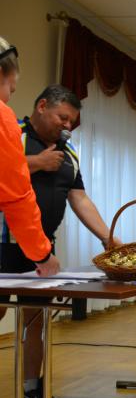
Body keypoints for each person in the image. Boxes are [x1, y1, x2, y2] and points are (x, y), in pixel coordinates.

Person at [0, 83, 119, 398]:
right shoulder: (12, 133)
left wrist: (107, 237)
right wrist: (36, 162)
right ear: (42, 107)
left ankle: (31, 390)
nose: (67, 126)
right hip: (4, 244)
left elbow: (80, 199)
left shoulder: (71, 154)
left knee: (36, 320)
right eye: (63, 118)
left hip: (42, 251)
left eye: (72, 121)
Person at [0, 39, 59, 276]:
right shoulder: (3, 119)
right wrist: (42, 255)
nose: (8, 98)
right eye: (10, 89)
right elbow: (16, 196)